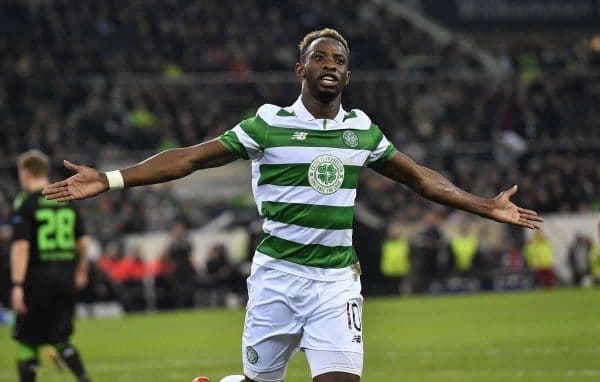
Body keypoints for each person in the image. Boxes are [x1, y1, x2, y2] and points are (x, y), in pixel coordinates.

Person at [43, 28, 543, 382]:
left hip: (335, 283)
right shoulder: (268, 125)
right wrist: (110, 180)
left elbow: (421, 180)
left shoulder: (360, 130)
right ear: (302, 69)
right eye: (322, 58)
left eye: (341, 61)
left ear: (347, 76)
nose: (332, 66)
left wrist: (485, 206)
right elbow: (190, 159)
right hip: (277, 280)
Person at [10, 150, 92, 382]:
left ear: (26, 172)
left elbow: (21, 247)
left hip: (37, 279)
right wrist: (81, 270)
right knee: (60, 336)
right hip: (65, 277)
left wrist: (17, 285)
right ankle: (84, 378)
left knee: (27, 339)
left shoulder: (26, 203)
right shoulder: (65, 200)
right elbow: (83, 242)